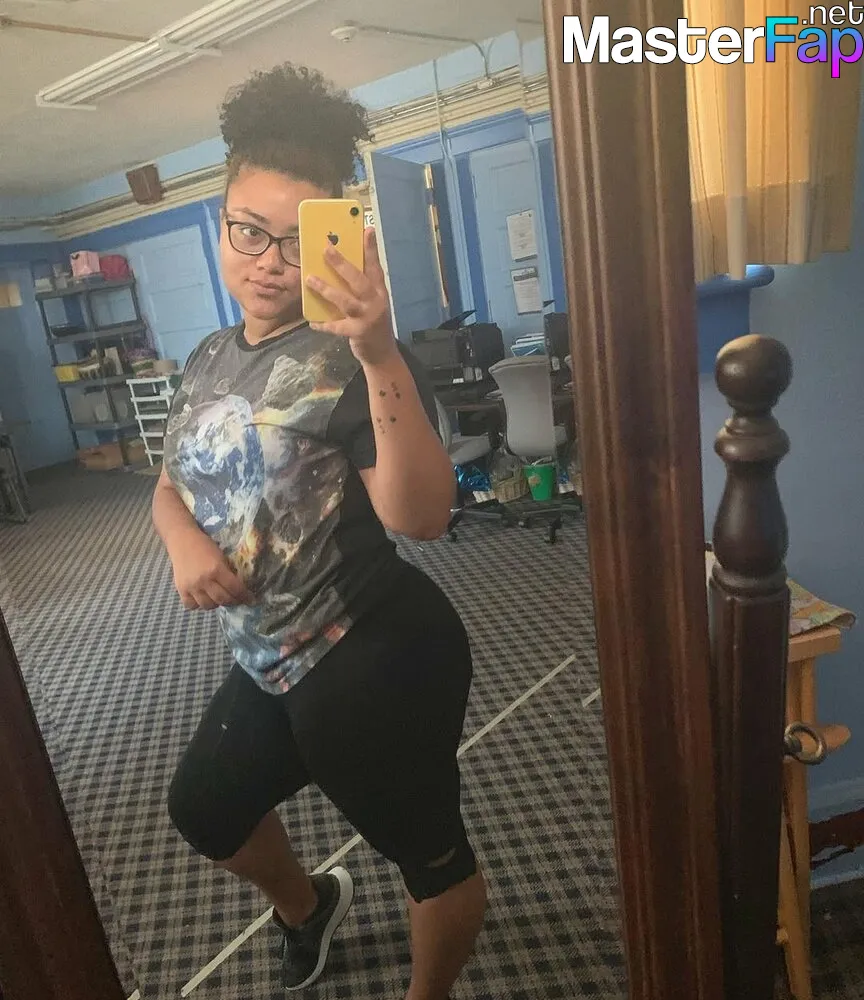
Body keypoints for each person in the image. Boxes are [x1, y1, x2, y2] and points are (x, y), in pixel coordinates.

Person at [152, 64, 487, 999]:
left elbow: (422, 518)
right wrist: (183, 540)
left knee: (428, 856)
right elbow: (169, 483)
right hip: (264, 654)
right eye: (248, 231)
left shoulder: (355, 355)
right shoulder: (208, 357)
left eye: (299, 239)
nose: (269, 259)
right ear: (222, 224)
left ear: (343, 237)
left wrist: (377, 350)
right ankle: (308, 907)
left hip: (371, 648)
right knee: (205, 810)